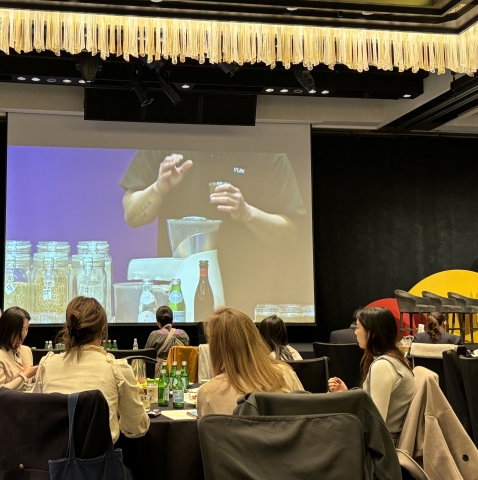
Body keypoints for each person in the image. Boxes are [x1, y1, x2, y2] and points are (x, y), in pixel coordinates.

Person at [120, 151, 308, 317]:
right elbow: (131, 215)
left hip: (246, 306)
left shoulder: (264, 147)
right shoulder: (169, 137)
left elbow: (289, 234)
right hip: (178, 306)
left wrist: (247, 213)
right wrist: (158, 188)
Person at [34, 297, 149, 443]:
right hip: (99, 464)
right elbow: (137, 428)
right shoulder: (117, 369)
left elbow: (34, 416)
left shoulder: (47, 365)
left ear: (68, 329)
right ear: (102, 331)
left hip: (51, 464)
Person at [328, 307, 415, 444]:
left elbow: (375, 424)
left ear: (372, 333)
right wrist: (347, 394)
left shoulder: (382, 366)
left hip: (380, 450)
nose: (355, 332)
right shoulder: (396, 359)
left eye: (358, 328)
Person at [197, 307, 304, 417]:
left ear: (216, 349)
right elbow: (308, 418)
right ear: (255, 337)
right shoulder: (285, 373)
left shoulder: (207, 392)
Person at [0, 307, 37, 399]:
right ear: (8, 329)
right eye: (21, 329)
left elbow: (30, 382)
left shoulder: (26, 350)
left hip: (23, 403)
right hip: (0, 408)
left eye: (27, 329)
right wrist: (25, 375)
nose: (25, 333)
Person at [145, 305, 190, 376]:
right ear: (172, 320)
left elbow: (146, 355)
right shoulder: (183, 334)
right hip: (180, 373)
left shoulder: (154, 335)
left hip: (162, 374)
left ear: (158, 322)